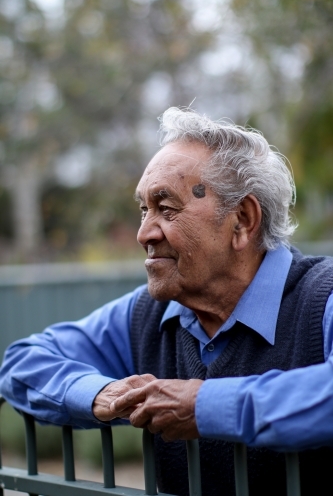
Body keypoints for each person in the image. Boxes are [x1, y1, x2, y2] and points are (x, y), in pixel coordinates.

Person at [1, 107, 333, 496]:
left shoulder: (322, 298)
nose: (143, 233)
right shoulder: (149, 313)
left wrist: (204, 407)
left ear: (242, 220)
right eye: (144, 209)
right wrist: (100, 394)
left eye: (166, 208)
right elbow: (22, 363)